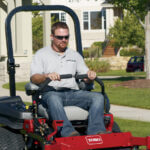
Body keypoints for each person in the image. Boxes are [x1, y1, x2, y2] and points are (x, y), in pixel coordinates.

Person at [30, 22, 106, 137]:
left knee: (98, 97)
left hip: (72, 93)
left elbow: (85, 77)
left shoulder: (75, 55)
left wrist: (90, 77)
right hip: (51, 93)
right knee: (54, 98)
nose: (64, 40)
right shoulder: (41, 54)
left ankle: (96, 133)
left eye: (66, 37)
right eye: (60, 37)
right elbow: (34, 78)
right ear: (52, 37)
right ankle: (68, 133)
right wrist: (46, 76)